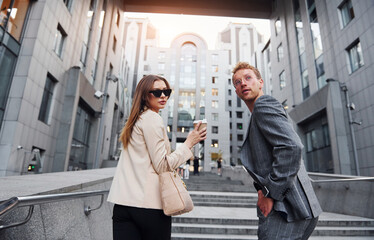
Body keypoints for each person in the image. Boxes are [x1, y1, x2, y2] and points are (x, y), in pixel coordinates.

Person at [107, 75, 207, 240]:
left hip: (123, 205)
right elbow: (162, 165)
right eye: (157, 92)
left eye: (166, 91)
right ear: (145, 94)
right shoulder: (153, 119)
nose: (163, 96)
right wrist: (189, 143)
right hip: (149, 206)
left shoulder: (134, 121)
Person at [232, 62, 322, 239]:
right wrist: (260, 189)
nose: (242, 83)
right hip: (300, 208)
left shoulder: (263, 104)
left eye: (248, 78)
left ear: (260, 82)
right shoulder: (259, 112)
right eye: (237, 82)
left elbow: (291, 148)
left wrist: (270, 193)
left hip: (286, 209)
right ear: (236, 91)